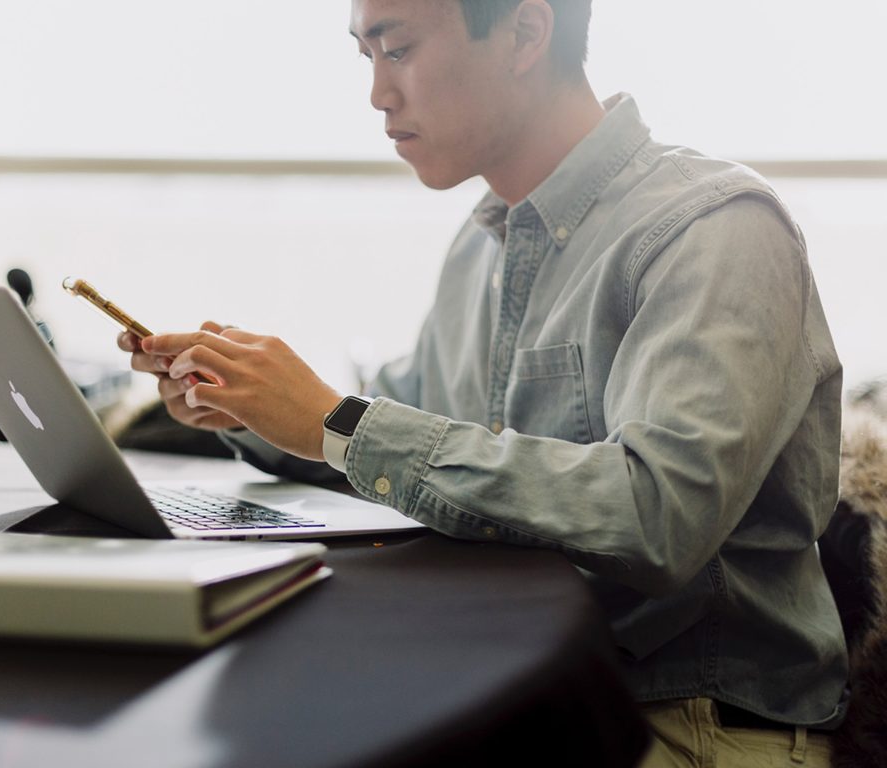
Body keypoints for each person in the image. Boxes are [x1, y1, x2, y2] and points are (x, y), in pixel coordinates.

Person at [120, 1, 848, 765]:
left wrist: (339, 423)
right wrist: (250, 407)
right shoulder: (480, 249)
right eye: (363, 57)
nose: (377, 93)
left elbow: (658, 515)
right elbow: (399, 449)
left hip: (690, 722)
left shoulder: (714, 229)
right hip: (522, 687)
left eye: (396, 49)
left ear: (526, 33)